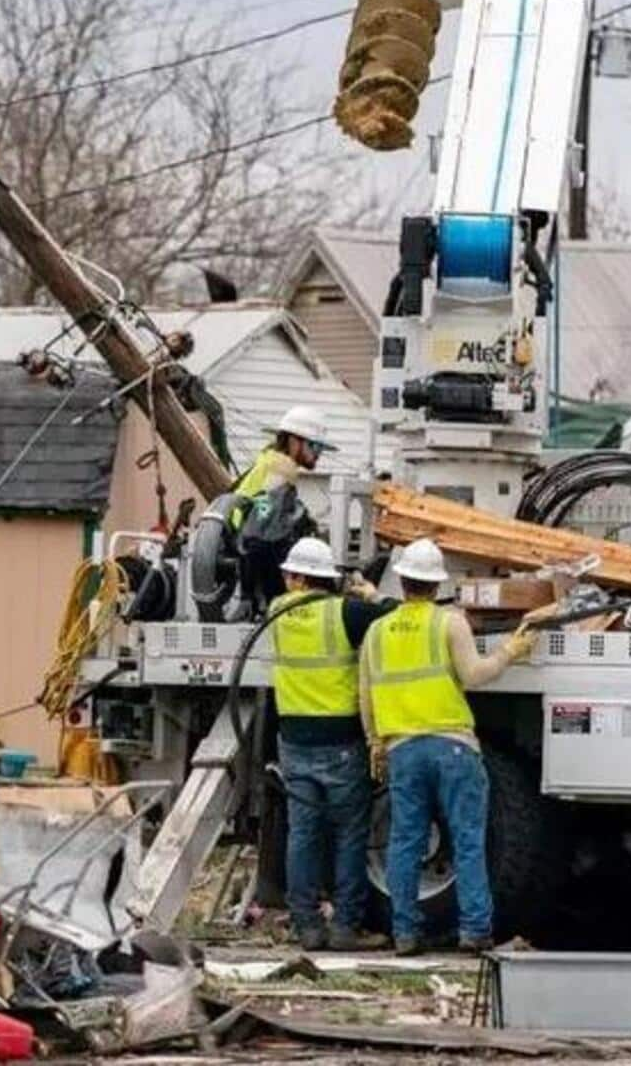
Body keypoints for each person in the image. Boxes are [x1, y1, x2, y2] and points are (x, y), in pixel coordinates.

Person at [357, 539, 537, 956]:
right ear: (436, 586)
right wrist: (511, 650)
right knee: (468, 840)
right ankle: (474, 932)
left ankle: (405, 934)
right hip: (453, 747)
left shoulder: (376, 632)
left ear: (401, 580)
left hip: (402, 749)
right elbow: (474, 675)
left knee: (404, 842)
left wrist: (374, 743)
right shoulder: (449, 622)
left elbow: (365, 695)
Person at [269, 537, 397, 952]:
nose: (286, 579)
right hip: (340, 741)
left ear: (301, 577)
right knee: (348, 836)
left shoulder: (276, 612)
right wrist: (370, 593)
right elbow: (392, 618)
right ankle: (344, 928)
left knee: (303, 835)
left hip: (294, 741)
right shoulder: (344, 613)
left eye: (290, 573)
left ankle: (306, 926)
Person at [232, 405, 335, 519]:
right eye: (314, 446)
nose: (318, 455)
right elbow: (265, 512)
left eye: (321, 448)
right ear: (293, 441)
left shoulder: (269, 458)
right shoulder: (283, 466)